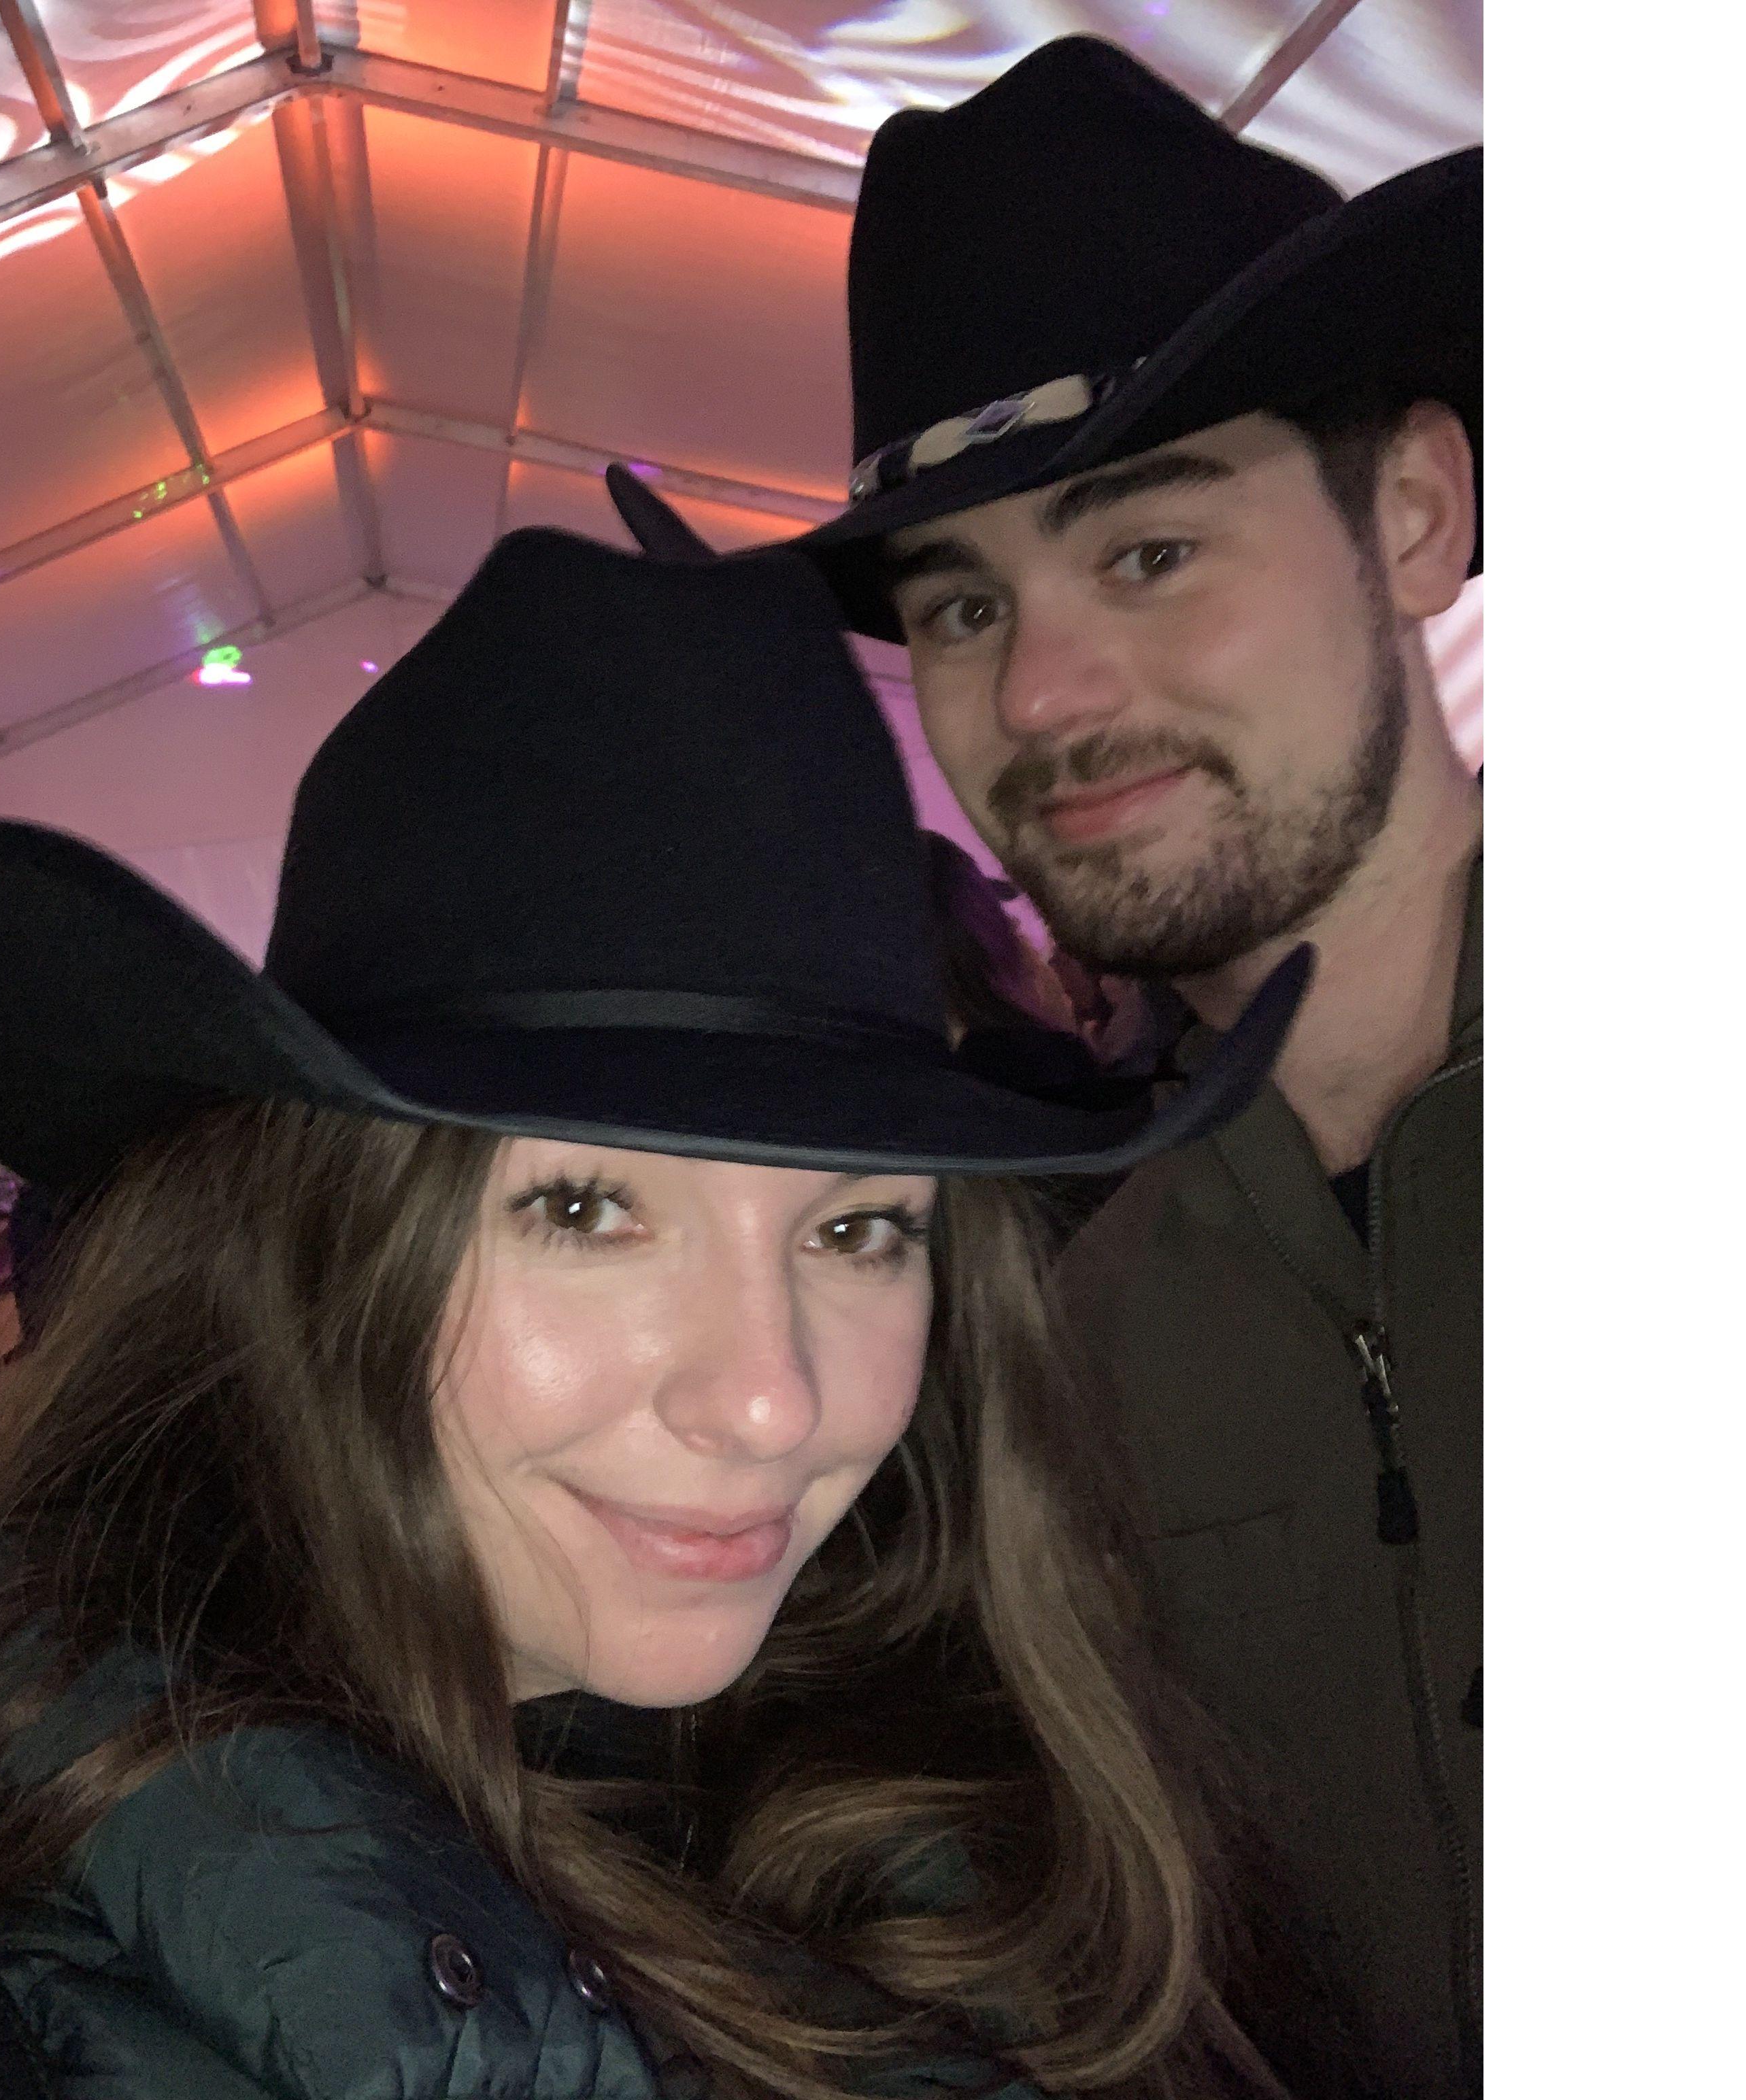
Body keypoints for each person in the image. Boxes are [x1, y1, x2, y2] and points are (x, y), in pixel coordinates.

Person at [0, 530, 1310, 2100]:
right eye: (583, 1211)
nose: (770, 1399)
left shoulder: (993, 1789)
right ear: (294, 1252)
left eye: (856, 1227)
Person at [604, 37, 1481, 2099]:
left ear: (1415, 512)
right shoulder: (987, 1330)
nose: (1044, 695)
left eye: (1149, 549)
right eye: (960, 605)